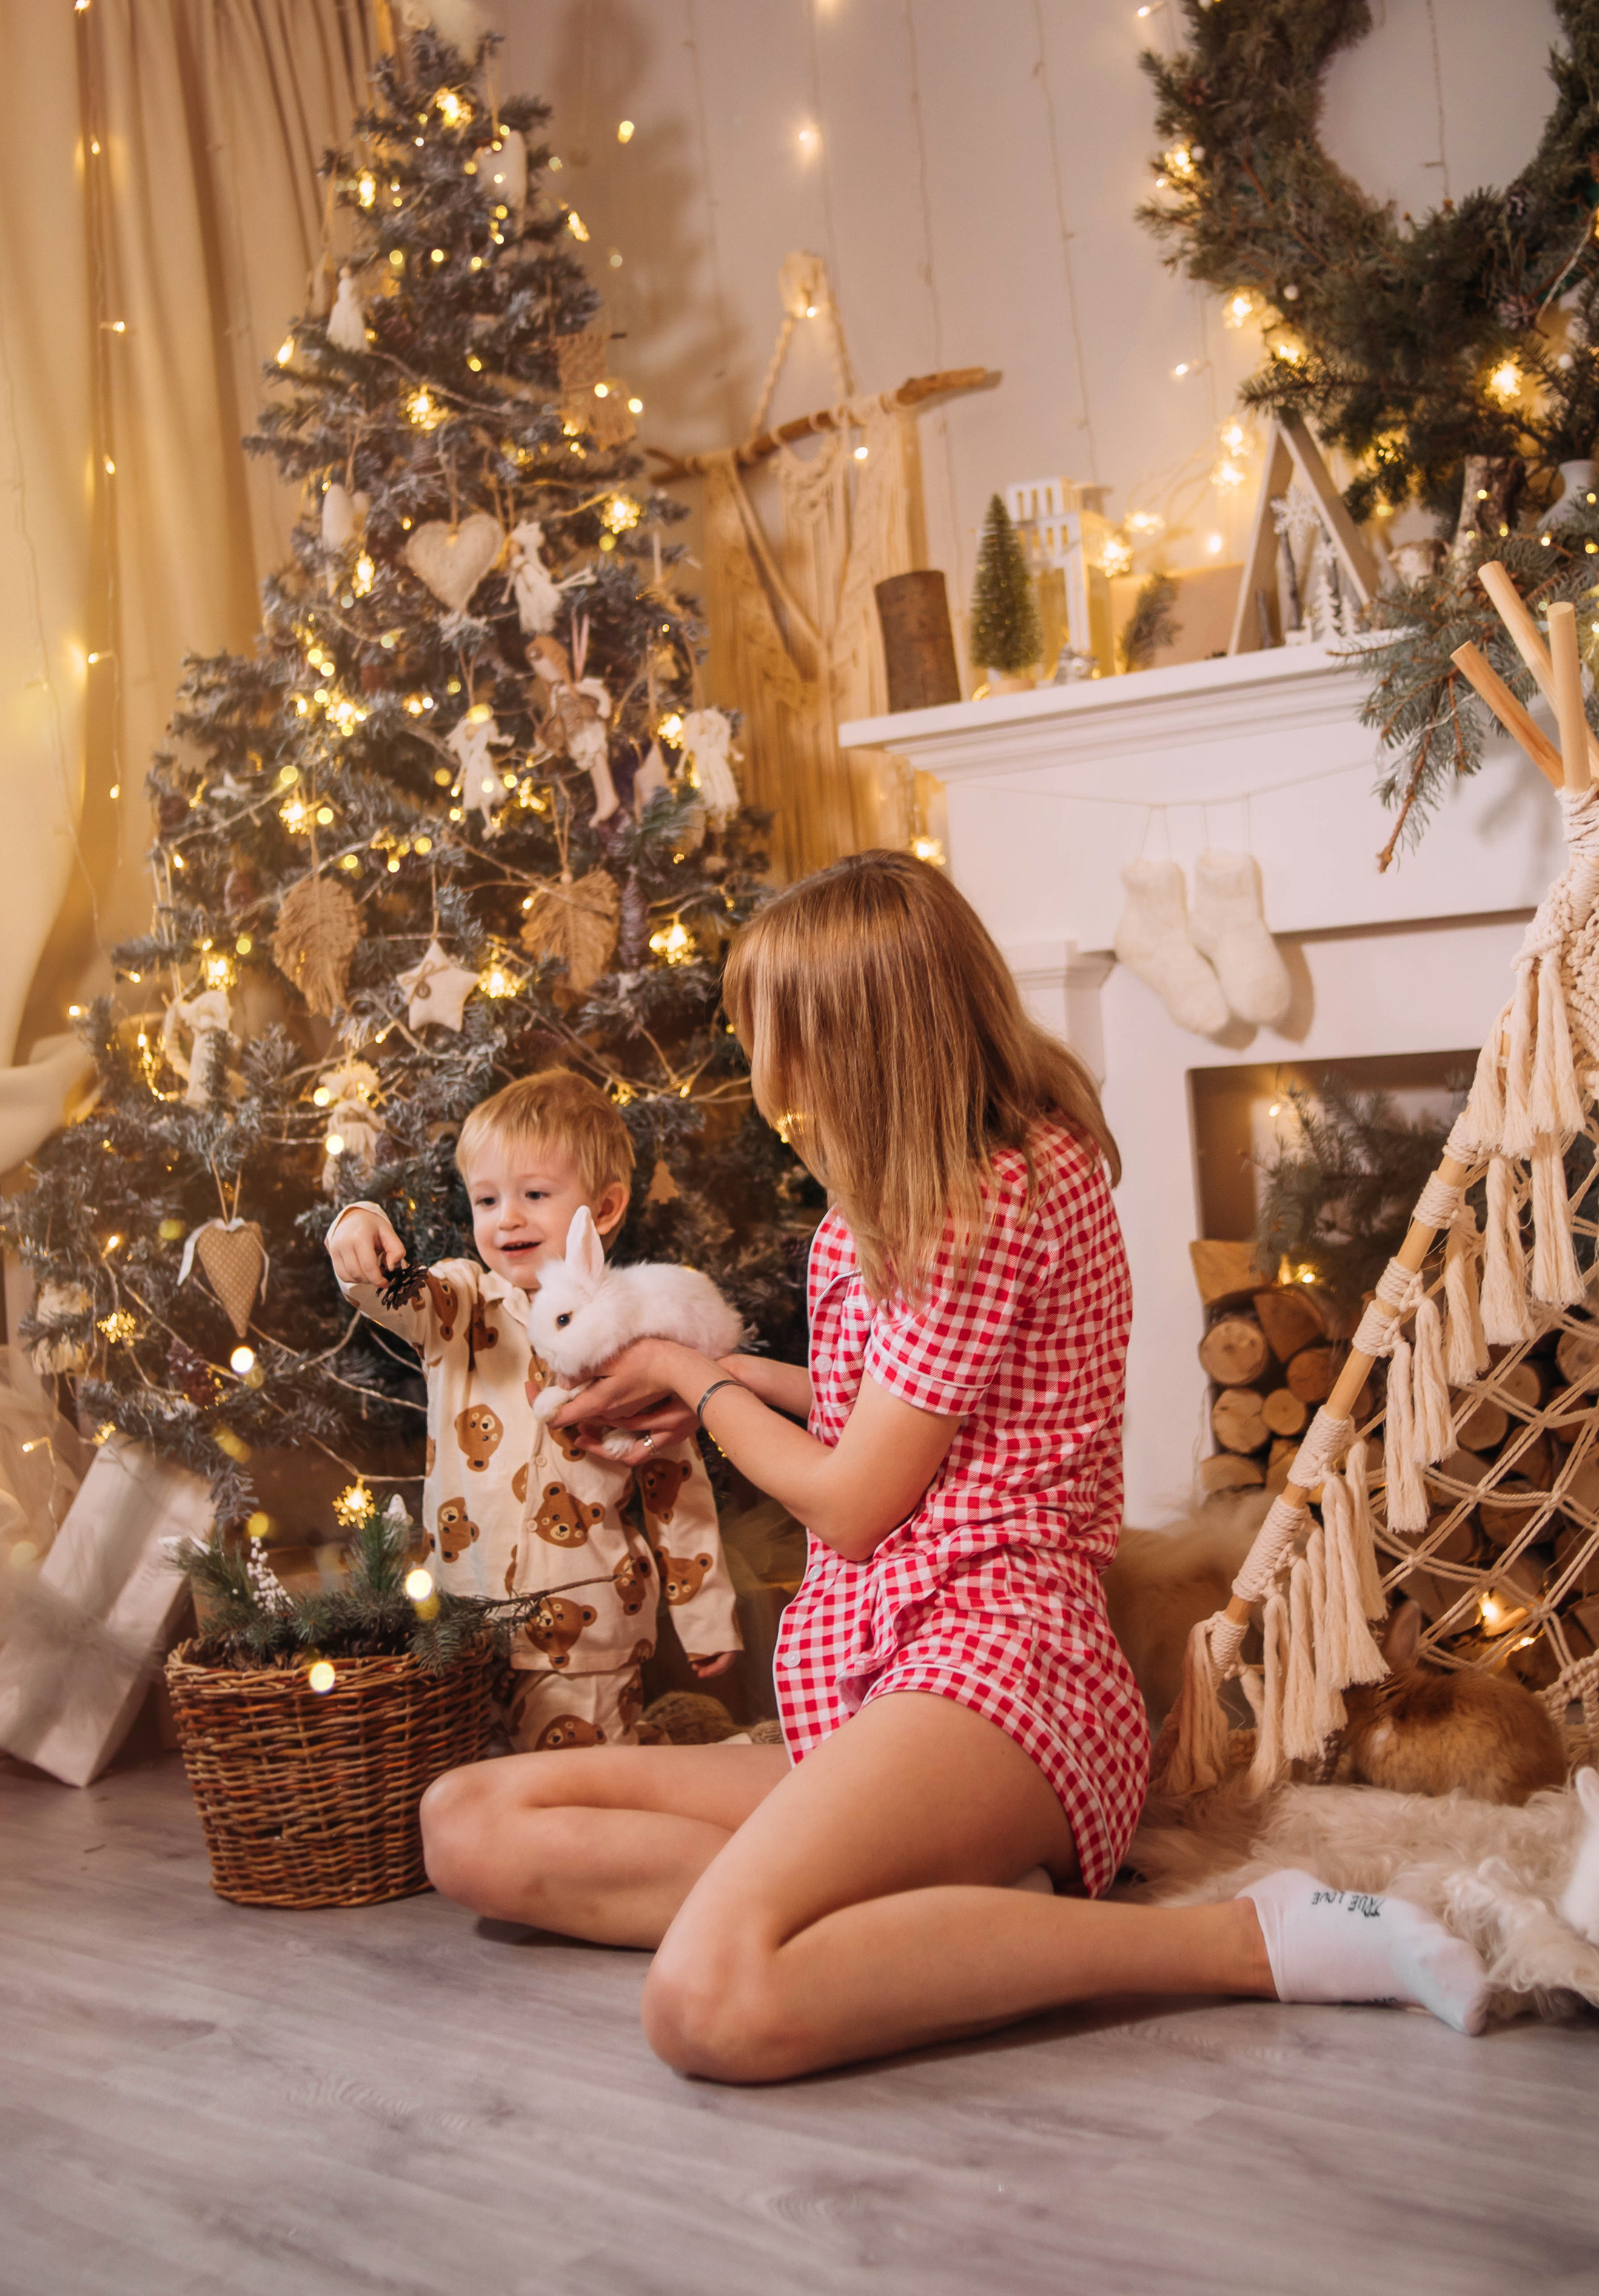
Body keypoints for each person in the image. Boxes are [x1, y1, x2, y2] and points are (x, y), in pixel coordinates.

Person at [418, 856, 1488, 2078]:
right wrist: (734, 1383)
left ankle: (1244, 1938)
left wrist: (694, 1376)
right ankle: (958, 1911)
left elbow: (856, 1498)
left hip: (1003, 1665)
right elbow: (910, 1413)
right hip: (893, 1665)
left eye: (772, 1031)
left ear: (851, 1031)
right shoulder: (946, 1176)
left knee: (710, 2002)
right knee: (469, 1826)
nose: (761, 1068)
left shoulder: (975, 1200)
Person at [326, 1067, 740, 1750]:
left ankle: (674, 1771)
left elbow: (676, 1488)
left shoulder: (635, 1345)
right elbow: (386, 1289)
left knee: (580, 1791)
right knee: (483, 1788)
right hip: (463, 1619)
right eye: (485, 1200)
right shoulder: (458, 1306)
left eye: (534, 1195)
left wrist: (705, 1617)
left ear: (603, 1212)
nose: (506, 1218)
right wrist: (358, 1226)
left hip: (588, 1625)